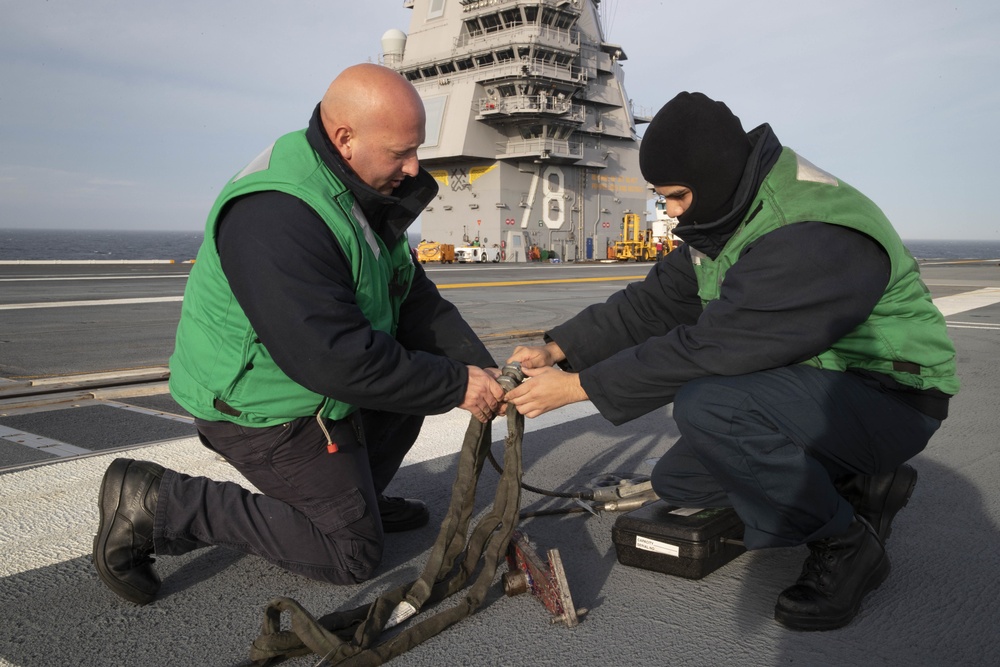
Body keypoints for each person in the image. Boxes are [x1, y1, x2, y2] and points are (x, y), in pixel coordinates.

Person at [504, 92, 958, 631]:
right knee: (682, 481)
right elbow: (652, 305)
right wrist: (557, 348)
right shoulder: (726, 215)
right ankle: (862, 484)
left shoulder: (807, 233)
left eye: (675, 197)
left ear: (712, 178)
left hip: (890, 395)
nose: (670, 212)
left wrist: (578, 387)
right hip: (820, 390)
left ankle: (848, 545)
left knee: (713, 407)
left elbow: (714, 346)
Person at [93, 64, 505, 605]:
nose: (414, 167)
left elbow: (413, 297)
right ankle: (157, 502)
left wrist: (482, 370)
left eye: (416, 149)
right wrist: (457, 386)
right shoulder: (278, 214)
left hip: (313, 383)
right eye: (400, 152)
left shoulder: (360, 187)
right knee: (350, 555)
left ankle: (353, 497)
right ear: (345, 138)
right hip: (259, 407)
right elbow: (329, 358)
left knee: (418, 384)